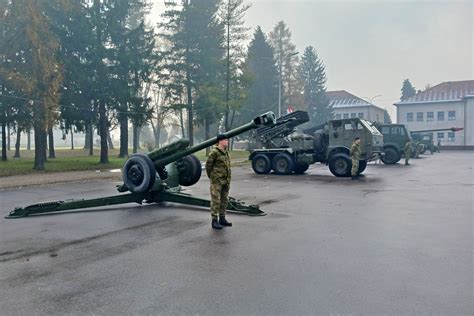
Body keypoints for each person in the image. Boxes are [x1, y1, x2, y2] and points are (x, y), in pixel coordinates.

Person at [205, 134, 232, 230]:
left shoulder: (225, 152)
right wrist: (212, 177)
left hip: (226, 180)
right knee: (216, 201)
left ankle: (222, 218)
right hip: (217, 181)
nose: (227, 141)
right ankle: (214, 221)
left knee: (224, 200)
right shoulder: (214, 152)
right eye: (225, 140)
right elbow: (208, 166)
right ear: (220, 141)